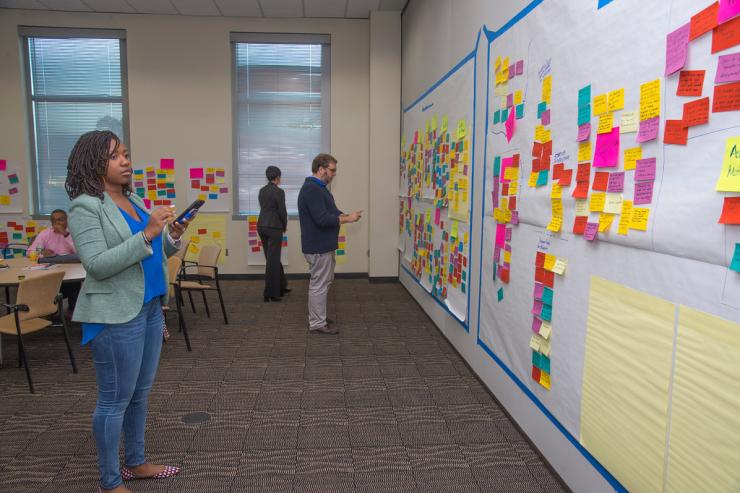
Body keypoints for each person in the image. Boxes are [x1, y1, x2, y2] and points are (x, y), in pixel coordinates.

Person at [65, 130, 193, 493]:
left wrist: (171, 237)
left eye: (125, 153)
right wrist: (150, 234)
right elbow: (98, 265)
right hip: (117, 315)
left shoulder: (133, 199)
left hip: (151, 307)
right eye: (115, 156)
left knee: (139, 393)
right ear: (93, 163)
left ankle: (136, 463)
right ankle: (109, 480)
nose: (125, 161)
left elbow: (151, 254)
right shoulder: (85, 206)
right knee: (114, 400)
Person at [297, 153, 362, 335]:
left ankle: (319, 316)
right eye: (332, 170)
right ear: (321, 169)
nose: (334, 174)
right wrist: (347, 219)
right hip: (318, 246)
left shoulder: (320, 188)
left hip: (323, 245)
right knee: (319, 284)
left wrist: (346, 216)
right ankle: (317, 322)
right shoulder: (312, 189)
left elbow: (332, 212)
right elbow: (322, 219)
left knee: (323, 283)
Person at [29, 209, 81, 315]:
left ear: (67, 220)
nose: (56, 223)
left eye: (60, 220)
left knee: (74, 284)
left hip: (70, 271)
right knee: (45, 284)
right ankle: (49, 309)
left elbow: (80, 252)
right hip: (50, 271)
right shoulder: (45, 234)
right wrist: (42, 252)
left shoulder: (74, 233)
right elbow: (31, 251)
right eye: (53, 220)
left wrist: (65, 234)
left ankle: (73, 311)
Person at [258, 165, 289, 302]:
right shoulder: (279, 192)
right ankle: (270, 293)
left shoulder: (262, 190)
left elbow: (265, 208)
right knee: (273, 259)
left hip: (261, 226)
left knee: (271, 258)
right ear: (277, 177)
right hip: (274, 227)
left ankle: (281, 285)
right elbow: (282, 212)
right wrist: (284, 225)